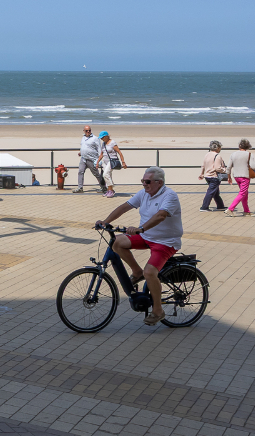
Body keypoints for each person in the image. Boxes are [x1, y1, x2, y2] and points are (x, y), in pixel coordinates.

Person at [97, 166, 182, 326]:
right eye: (142, 181)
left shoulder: (169, 196)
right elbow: (125, 206)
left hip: (165, 241)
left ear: (159, 182)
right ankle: (137, 271)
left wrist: (141, 228)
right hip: (146, 237)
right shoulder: (144, 193)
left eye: (147, 181)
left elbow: (161, 215)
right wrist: (106, 221)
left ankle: (158, 311)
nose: (144, 184)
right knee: (117, 242)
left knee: (150, 272)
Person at [227, 139, 255, 216]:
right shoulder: (249, 154)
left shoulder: (233, 154)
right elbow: (253, 166)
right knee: (242, 193)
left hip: (236, 176)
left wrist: (229, 177)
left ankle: (246, 210)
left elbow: (228, 167)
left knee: (245, 193)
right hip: (245, 176)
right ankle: (230, 209)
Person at [198, 140, 229, 211]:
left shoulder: (207, 154)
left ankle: (220, 206)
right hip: (214, 176)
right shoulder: (217, 156)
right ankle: (204, 207)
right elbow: (217, 168)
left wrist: (202, 174)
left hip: (207, 176)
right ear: (217, 148)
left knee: (216, 192)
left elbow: (203, 165)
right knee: (211, 192)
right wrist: (224, 170)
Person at [75, 125, 107, 194]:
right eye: (86, 131)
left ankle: (103, 188)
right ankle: (80, 188)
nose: (88, 132)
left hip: (92, 160)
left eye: (89, 130)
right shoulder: (83, 138)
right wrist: (81, 152)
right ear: (84, 131)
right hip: (83, 159)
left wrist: (99, 160)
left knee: (96, 174)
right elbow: (83, 146)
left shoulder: (95, 138)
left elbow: (99, 149)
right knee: (80, 172)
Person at [99, 131, 127, 198]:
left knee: (105, 174)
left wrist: (123, 162)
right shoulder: (103, 143)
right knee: (108, 175)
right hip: (105, 161)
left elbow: (119, 152)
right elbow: (102, 154)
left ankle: (111, 190)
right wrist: (97, 162)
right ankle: (109, 190)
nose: (101, 139)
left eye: (102, 138)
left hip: (111, 161)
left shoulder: (112, 143)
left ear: (106, 136)